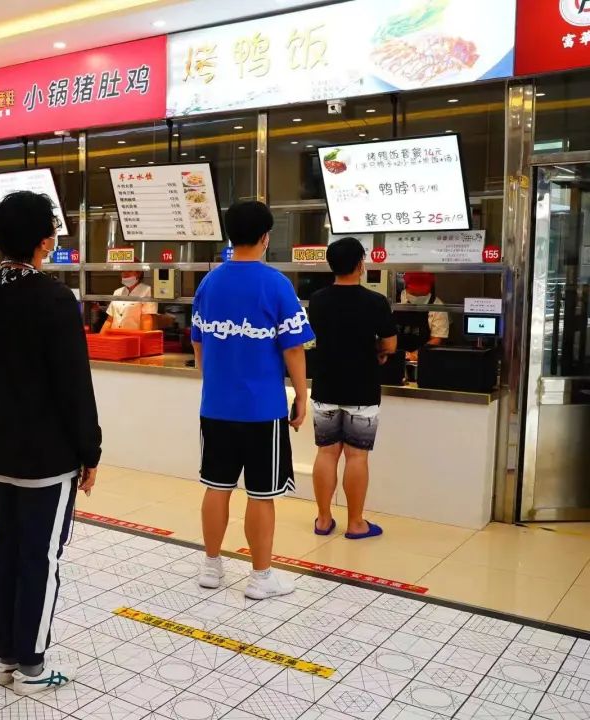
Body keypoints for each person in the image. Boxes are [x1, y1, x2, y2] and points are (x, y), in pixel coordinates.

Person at [0, 191, 100, 695]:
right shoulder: (53, 299)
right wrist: (89, 450)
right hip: (47, 457)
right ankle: (32, 668)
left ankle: (7, 657)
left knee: (6, 549)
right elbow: (74, 385)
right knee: (40, 558)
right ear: (44, 241)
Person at [191, 201, 312, 599]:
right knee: (262, 494)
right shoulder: (276, 284)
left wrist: (215, 378)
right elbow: (294, 348)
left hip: (216, 407)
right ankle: (260, 578)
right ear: (265, 237)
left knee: (216, 486)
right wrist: (301, 396)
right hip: (263, 410)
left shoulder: (209, 283)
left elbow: (198, 342)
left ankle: (211, 567)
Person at [307, 238, 397, 540]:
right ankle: (356, 523)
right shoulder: (375, 301)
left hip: (325, 386)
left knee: (326, 452)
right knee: (357, 456)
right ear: (361, 265)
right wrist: (378, 350)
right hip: (362, 388)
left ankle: (323, 519)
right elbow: (390, 344)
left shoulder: (317, 299)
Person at [397, 272, 449, 360]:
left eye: (421, 292)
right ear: (407, 285)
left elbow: (437, 338)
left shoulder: (437, 306)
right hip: (394, 357)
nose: (418, 294)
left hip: (423, 358)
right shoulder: (394, 301)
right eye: (414, 292)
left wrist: (415, 355)